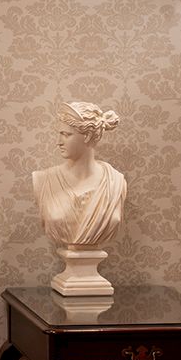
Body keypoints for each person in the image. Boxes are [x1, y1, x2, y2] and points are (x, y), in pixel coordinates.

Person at [32, 101, 127, 249]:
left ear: (87, 135)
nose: (59, 142)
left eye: (66, 134)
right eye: (59, 134)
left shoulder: (115, 182)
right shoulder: (43, 180)